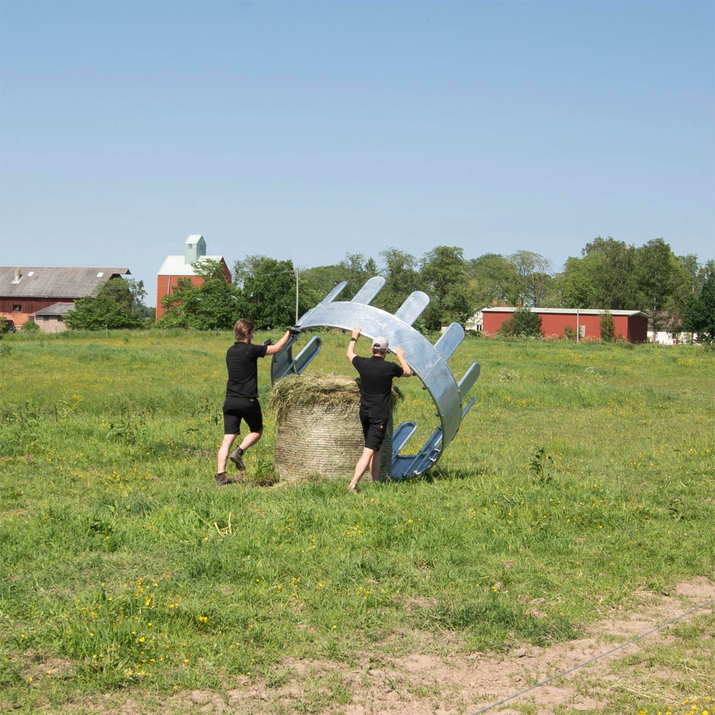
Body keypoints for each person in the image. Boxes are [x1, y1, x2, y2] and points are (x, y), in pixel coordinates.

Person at [215, 319, 299, 486]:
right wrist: (289, 334)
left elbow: (246, 358)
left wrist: (260, 346)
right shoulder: (251, 350)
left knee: (227, 439)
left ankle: (221, 475)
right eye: (252, 332)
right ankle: (239, 452)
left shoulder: (230, 351)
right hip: (247, 400)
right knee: (257, 430)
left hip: (230, 400)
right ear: (247, 334)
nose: (253, 335)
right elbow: (277, 348)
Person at [346, 327, 411, 493]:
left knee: (377, 449)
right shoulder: (390, 367)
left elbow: (349, 354)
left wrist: (354, 338)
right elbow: (408, 372)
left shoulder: (363, 363)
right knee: (368, 450)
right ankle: (353, 484)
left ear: (371, 349)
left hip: (365, 413)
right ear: (386, 351)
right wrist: (401, 358)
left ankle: (376, 484)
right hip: (379, 416)